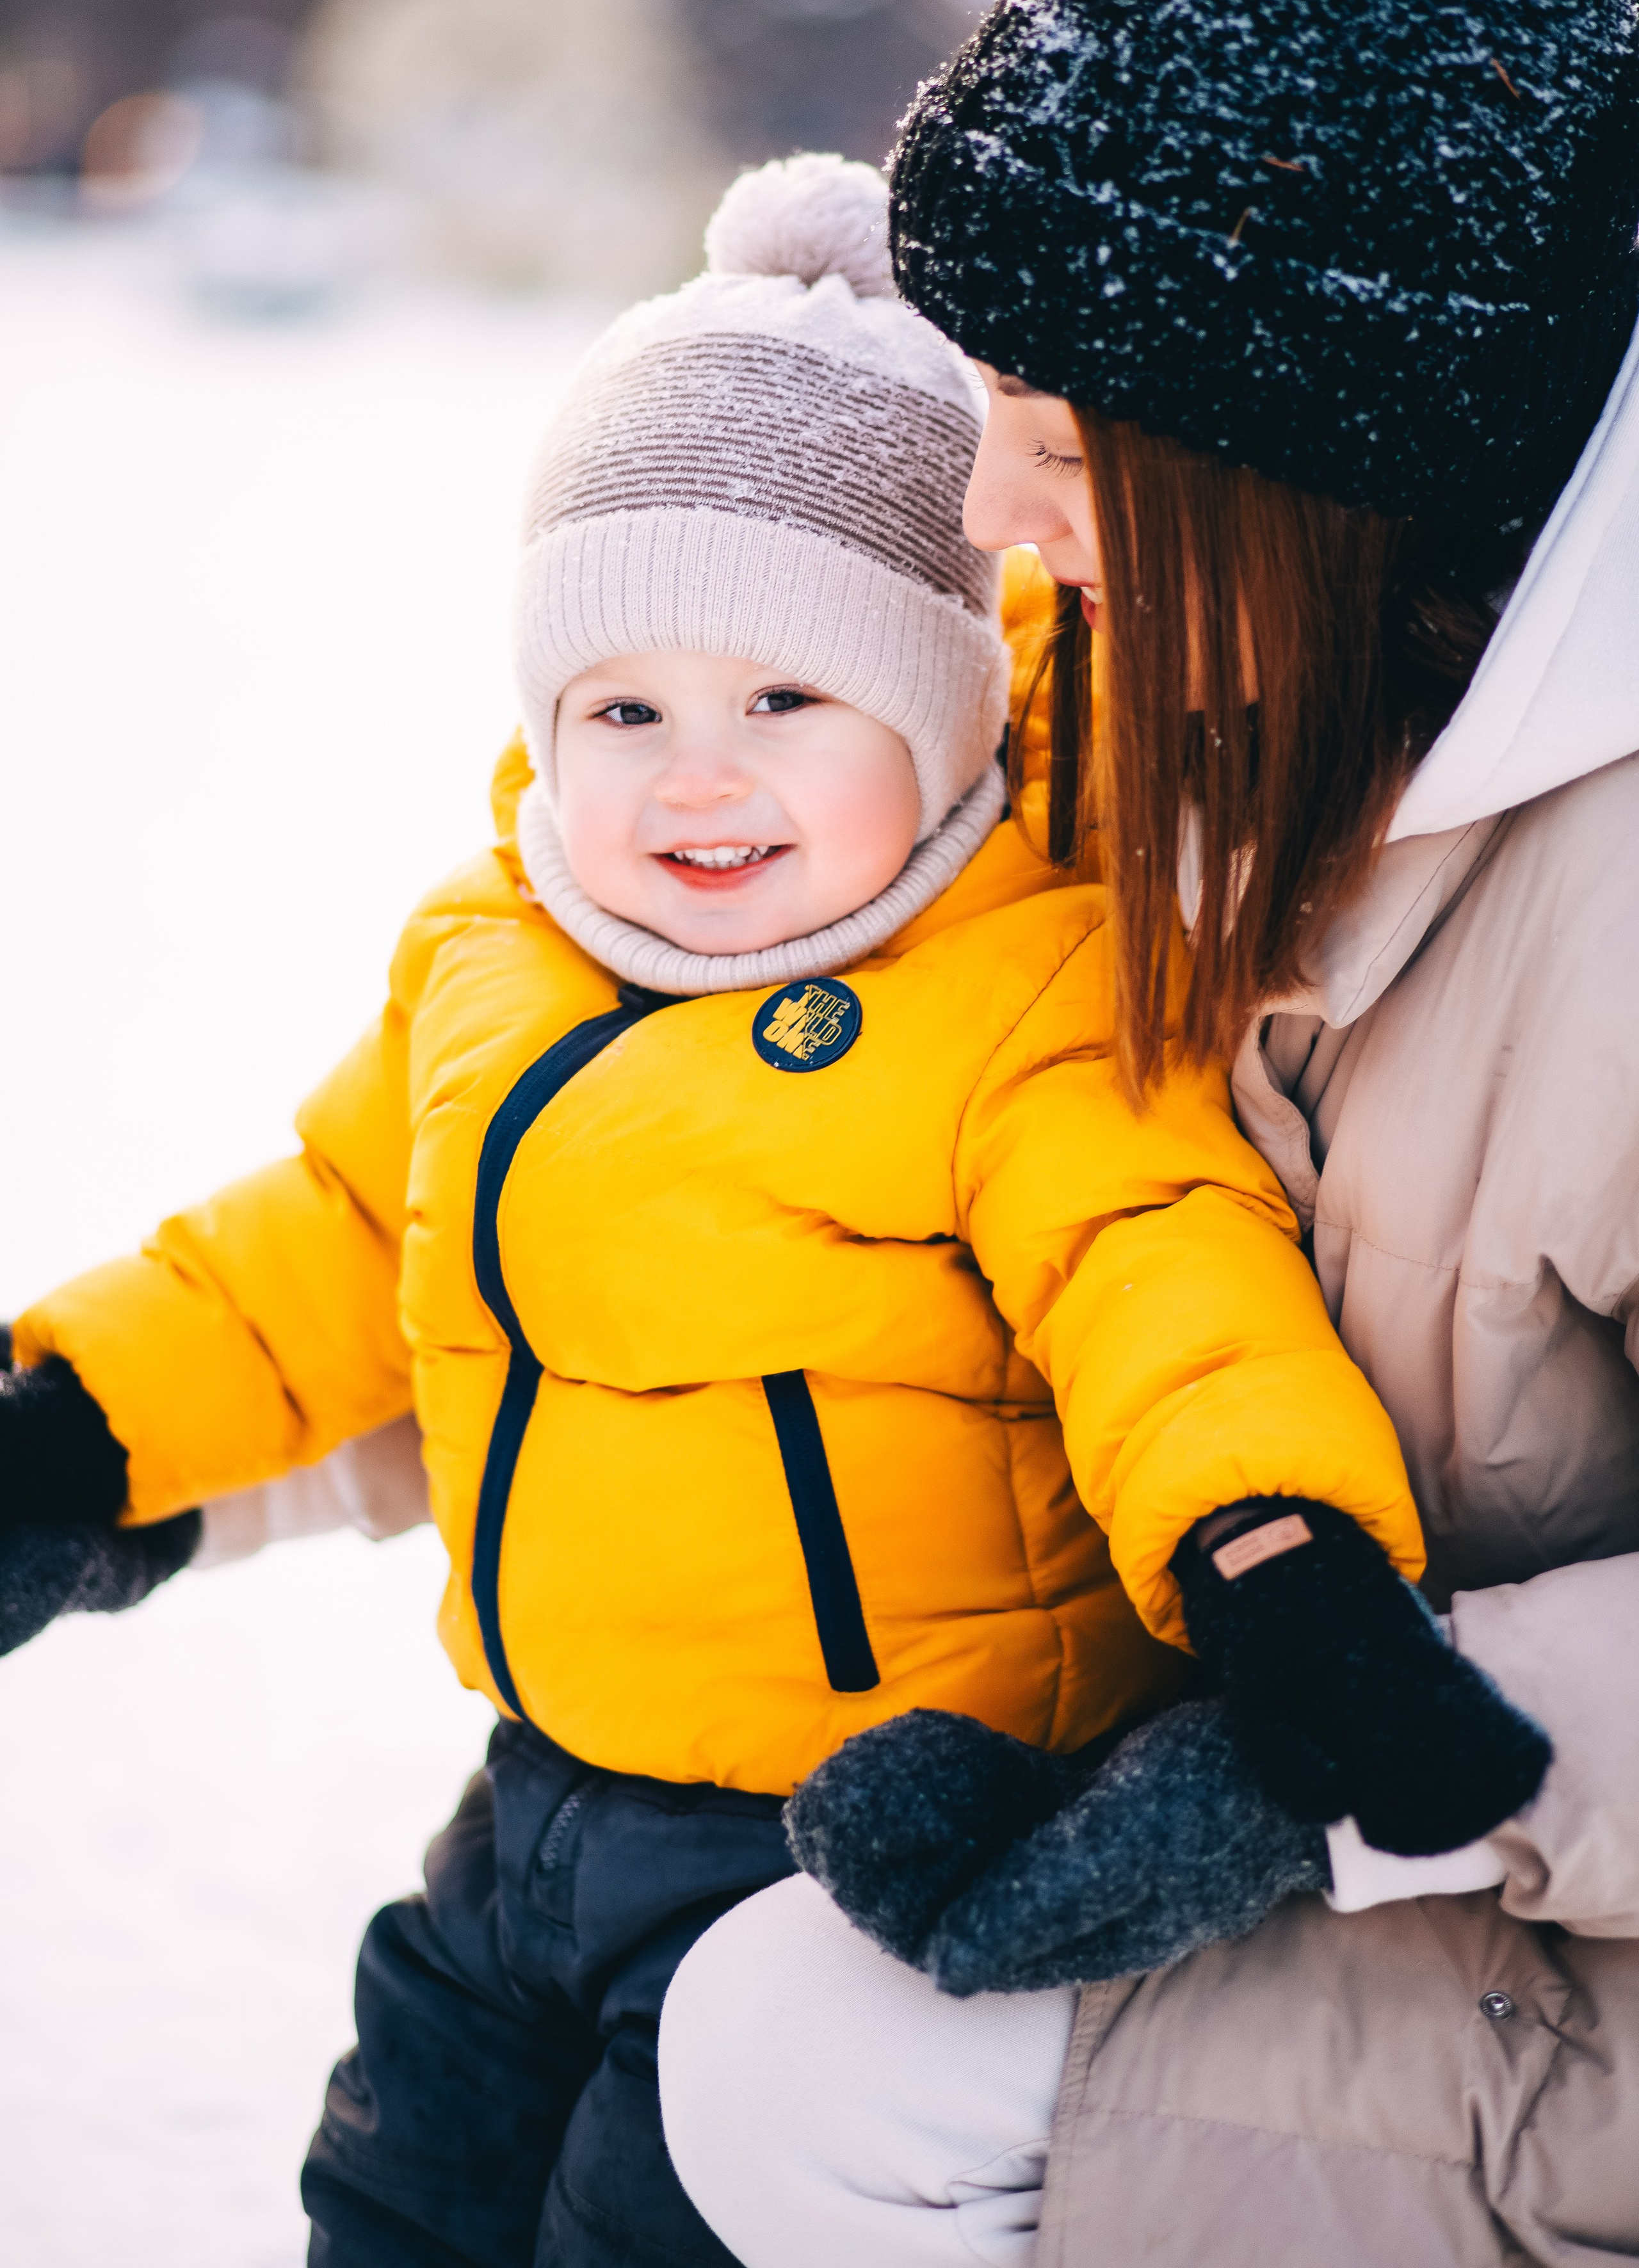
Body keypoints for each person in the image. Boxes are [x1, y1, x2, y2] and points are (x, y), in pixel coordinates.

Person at [0, 150, 1531, 2263]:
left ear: (942, 711)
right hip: (531, 1804)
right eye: (623, 712)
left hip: (839, 1858)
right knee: (394, 2197)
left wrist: (1279, 1567)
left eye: (787, 703)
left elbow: (1163, 1293)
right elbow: (329, 1240)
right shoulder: (496, 958)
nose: (694, 782)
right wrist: (73, 1425)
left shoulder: (1021, 1000)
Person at [657, 0, 1639, 2265]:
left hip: (1558, 1881)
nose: (989, 505)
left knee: (807, 2058)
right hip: (1386, 1806)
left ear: (1333, 485)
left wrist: (1323, 1779)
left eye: (1073, 451)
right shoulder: (1220, 696)